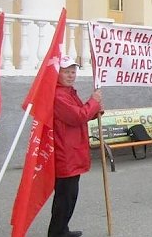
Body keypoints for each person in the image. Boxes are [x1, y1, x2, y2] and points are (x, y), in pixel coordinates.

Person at [49, 55, 103, 237]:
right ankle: (56, 233)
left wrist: (95, 111)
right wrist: (93, 102)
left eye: (73, 71)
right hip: (66, 153)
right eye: (66, 72)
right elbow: (77, 116)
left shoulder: (68, 92)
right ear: (57, 73)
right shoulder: (58, 95)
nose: (71, 75)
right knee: (64, 198)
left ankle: (62, 230)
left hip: (73, 151)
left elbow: (81, 115)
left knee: (69, 196)